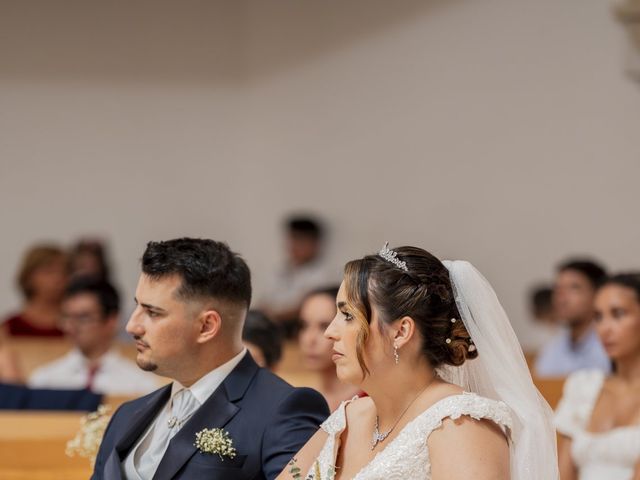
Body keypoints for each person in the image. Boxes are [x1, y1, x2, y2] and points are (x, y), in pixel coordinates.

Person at [279, 243, 558, 480]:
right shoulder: (348, 417)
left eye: (348, 316)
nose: (330, 332)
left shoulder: (461, 425)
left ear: (401, 331)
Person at [92, 238, 329, 480]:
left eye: (152, 312)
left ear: (207, 326)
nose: (132, 326)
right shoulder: (125, 416)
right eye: (137, 307)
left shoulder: (283, 411)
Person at [556, 273, 640, 480]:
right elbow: (563, 473)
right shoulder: (583, 385)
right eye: (598, 317)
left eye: (618, 314)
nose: (605, 328)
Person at [28, 276, 158, 396]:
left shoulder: (140, 383)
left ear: (111, 321)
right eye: (67, 317)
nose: (71, 326)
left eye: (83, 317)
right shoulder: (45, 380)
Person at [535, 259, 610, 377]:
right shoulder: (552, 347)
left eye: (574, 288)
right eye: (558, 289)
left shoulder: (610, 345)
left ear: (598, 294)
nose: (562, 298)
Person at [261, 215, 333, 336]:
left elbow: (303, 309)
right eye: (292, 239)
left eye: (300, 241)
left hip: (294, 330)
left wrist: (272, 316)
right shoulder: (281, 270)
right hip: (272, 327)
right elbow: (265, 300)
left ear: (315, 244)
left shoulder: (323, 275)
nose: (293, 246)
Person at [298, 286, 360, 410]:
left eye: (324, 326)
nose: (310, 339)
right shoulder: (300, 400)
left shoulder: (369, 399)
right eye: (304, 326)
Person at [3, 244, 68, 337]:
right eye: (49, 271)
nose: (58, 278)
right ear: (29, 277)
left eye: (64, 272)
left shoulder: (78, 326)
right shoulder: (10, 328)